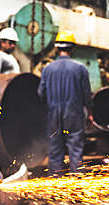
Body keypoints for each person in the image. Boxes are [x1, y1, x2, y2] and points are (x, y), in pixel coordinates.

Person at [38, 31, 93, 174]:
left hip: (54, 117)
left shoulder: (47, 69)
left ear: (57, 48)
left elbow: (41, 93)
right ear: (72, 48)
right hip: (74, 115)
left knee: (55, 151)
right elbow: (87, 94)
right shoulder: (80, 69)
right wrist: (91, 113)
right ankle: (76, 183)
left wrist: (49, 109)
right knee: (75, 150)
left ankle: (56, 187)